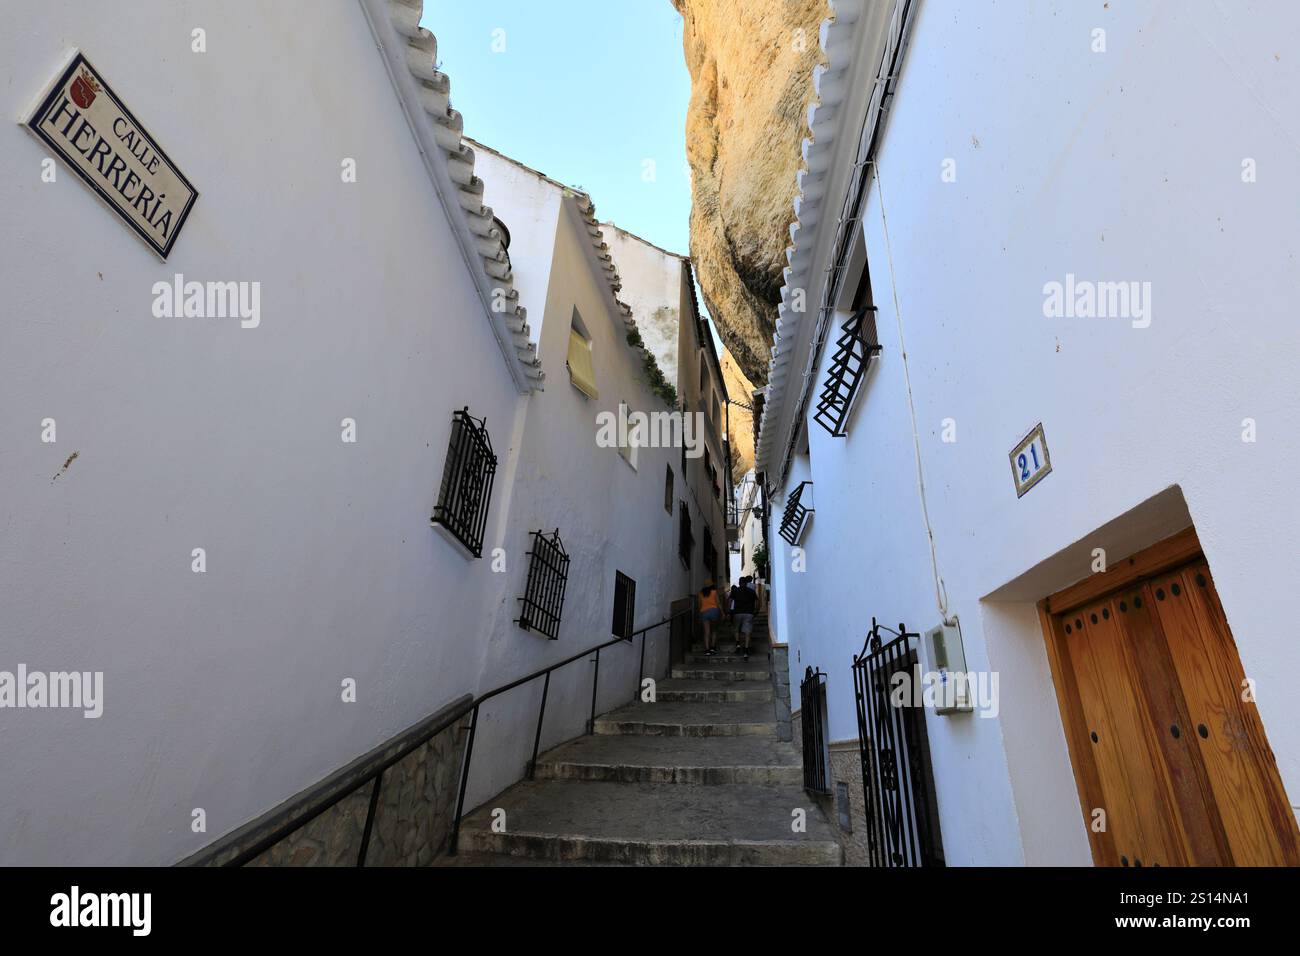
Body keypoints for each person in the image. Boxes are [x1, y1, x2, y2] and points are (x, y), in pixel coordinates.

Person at [730, 575, 758, 661]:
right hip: (749, 613)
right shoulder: (751, 591)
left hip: (737, 613)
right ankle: (746, 651)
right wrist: (755, 611)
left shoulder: (735, 590)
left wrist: (728, 611)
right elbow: (757, 602)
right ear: (746, 583)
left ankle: (738, 644)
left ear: (739, 583)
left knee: (736, 629)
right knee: (747, 632)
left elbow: (730, 600)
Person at [698, 580, 722, 656]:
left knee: (706, 632)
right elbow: (718, 603)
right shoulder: (714, 592)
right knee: (714, 630)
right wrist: (723, 612)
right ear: (711, 585)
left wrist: (700, 613)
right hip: (714, 611)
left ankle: (707, 650)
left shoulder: (700, 593)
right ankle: (713, 648)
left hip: (704, 612)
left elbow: (699, 605)